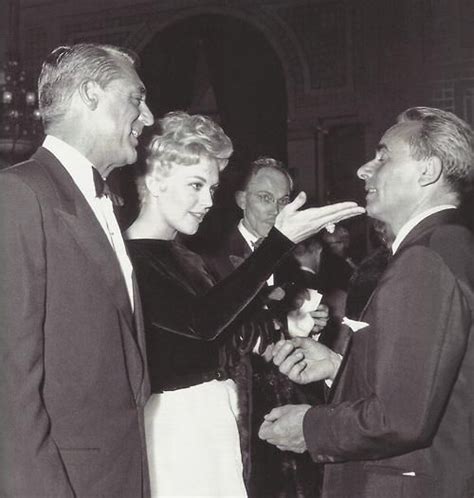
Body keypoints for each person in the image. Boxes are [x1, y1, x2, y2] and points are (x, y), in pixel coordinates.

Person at [124, 112, 364, 497]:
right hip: (174, 434)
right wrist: (279, 241)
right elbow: (202, 323)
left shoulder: (184, 256)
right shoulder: (132, 257)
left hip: (216, 423)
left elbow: (227, 333)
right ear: (155, 181)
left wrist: (292, 325)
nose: (207, 201)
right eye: (196, 185)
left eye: (212, 188)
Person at [259, 106, 474, 498]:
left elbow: (401, 417)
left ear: (427, 171)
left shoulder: (423, 260)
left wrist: (309, 427)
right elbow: (429, 383)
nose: (364, 169)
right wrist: (339, 366)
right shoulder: (449, 245)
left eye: (383, 156)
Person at [0, 43, 154, 497]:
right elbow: (9, 385)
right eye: (136, 98)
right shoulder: (18, 195)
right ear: (90, 94)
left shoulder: (102, 200)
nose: (147, 116)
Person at [201, 157, 329, 498]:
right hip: (238, 414)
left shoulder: (291, 261)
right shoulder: (208, 260)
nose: (276, 209)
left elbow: (288, 329)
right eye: (265, 198)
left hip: (286, 414)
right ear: (242, 200)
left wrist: (310, 328)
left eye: (284, 200)